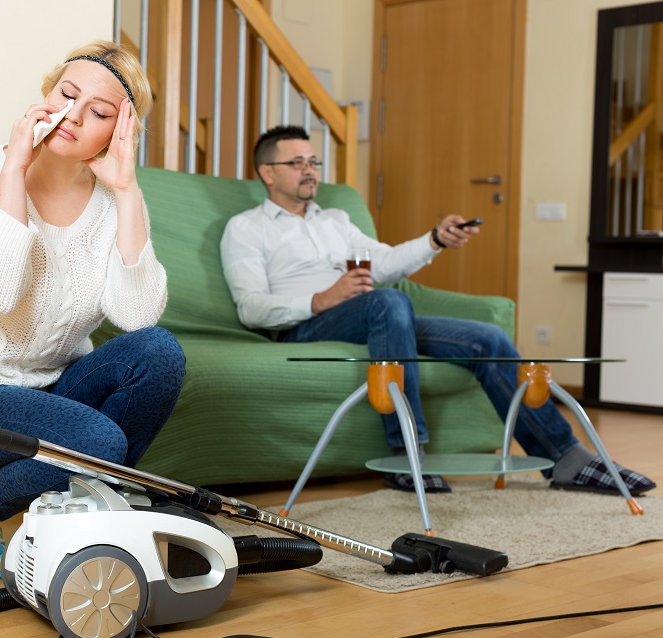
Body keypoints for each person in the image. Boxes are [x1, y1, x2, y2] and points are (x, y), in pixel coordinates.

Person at [220, 125, 655, 497]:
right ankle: (408, 454)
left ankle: (566, 458)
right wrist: (323, 298)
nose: (310, 169)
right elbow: (252, 308)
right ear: (267, 172)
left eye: (314, 161)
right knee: (389, 301)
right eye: (297, 162)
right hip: (304, 325)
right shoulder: (246, 228)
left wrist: (435, 239)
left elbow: (384, 262)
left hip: (372, 316)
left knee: (485, 338)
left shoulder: (333, 220)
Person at [0, 41, 186, 578]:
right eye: (67, 94)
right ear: (46, 94)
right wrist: (15, 168)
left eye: (99, 112)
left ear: (120, 132)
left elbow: (137, 318)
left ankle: (83, 504)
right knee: (97, 442)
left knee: (159, 352)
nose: (75, 115)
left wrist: (127, 191)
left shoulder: (113, 201)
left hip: (57, 391)